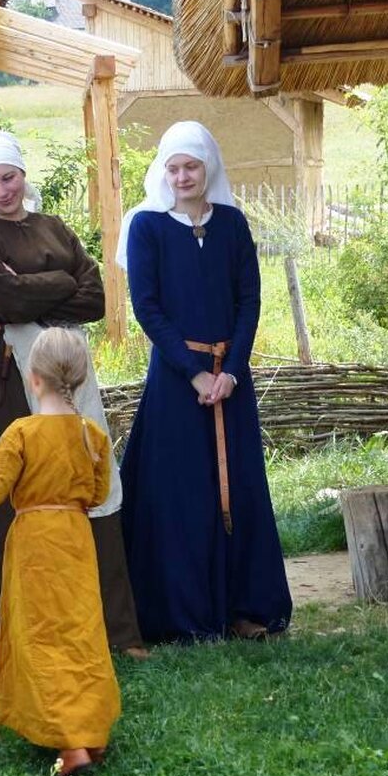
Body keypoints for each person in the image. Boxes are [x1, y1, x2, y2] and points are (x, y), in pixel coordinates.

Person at [0, 130, 147, 658]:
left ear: (22, 173)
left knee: (87, 484)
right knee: (16, 490)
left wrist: (34, 287)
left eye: (8, 178)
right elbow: (4, 299)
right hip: (1, 373)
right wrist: (60, 281)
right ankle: (18, 631)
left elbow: (96, 297)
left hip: (66, 369)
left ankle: (116, 630)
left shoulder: (52, 227)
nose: (1, 191)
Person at [117, 120, 293, 643]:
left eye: (190, 166)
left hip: (231, 381)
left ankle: (244, 606)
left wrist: (232, 372)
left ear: (207, 167)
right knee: (180, 493)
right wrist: (194, 373)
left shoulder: (233, 225)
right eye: (172, 167)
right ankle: (185, 614)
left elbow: (249, 302)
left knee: (238, 488)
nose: (182, 176)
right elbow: (147, 308)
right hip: (176, 381)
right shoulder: (147, 227)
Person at [0, 327, 120, 776]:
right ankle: (89, 729)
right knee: (81, 632)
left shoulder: (22, 433)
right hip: (75, 541)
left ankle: (70, 742)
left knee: (42, 638)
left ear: (33, 379)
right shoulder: (92, 436)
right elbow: (97, 495)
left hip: (35, 544)